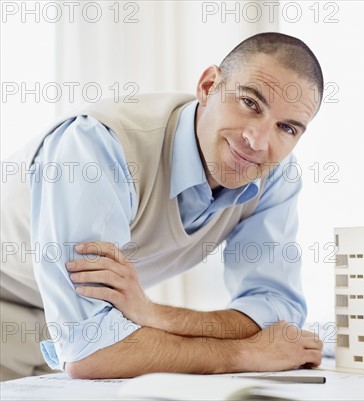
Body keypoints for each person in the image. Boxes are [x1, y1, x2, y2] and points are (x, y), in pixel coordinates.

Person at [0, 32, 324, 380]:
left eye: (287, 128)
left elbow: (277, 315)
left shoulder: (273, 176)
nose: (258, 141)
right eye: (249, 103)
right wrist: (245, 353)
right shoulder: (97, 147)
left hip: (66, 349)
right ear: (208, 85)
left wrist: (156, 315)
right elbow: (91, 349)